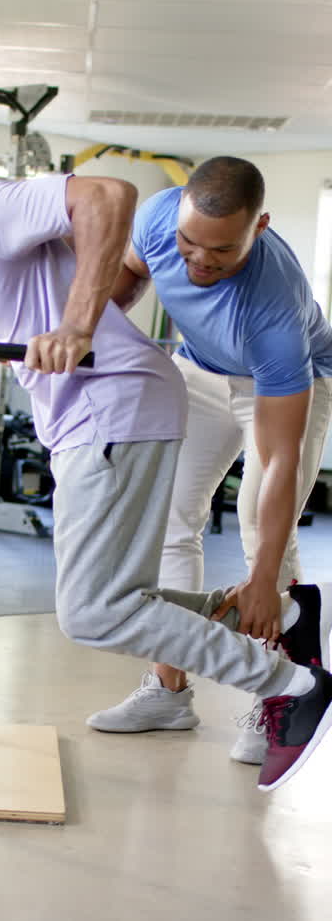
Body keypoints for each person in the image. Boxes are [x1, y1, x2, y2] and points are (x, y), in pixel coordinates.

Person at [0, 158, 332, 793]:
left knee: (92, 611)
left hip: (121, 412)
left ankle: (291, 686)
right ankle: (289, 622)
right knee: (119, 597)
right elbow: (108, 264)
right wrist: (94, 318)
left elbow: (106, 194)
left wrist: (79, 325)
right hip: (116, 405)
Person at [86, 156, 332, 764]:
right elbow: (130, 275)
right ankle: (168, 691)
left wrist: (261, 580)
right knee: (167, 518)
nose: (197, 260)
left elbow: (278, 460)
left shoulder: (275, 308)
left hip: (287, 385)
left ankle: (278, 694)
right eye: (188, 243)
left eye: (219, 252)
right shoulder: (158, 215)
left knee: (261, 531)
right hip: (199, 371)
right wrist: (86, 331)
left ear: (261, 227)